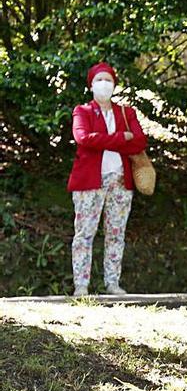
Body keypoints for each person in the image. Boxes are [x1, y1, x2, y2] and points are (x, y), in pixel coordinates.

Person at [68, 62, 148, 297]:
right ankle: (81, 286)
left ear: (114, 84)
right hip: (89, 181)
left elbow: (140, 141)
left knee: (116, 232)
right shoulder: (82, 111)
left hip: (121, 181)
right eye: (99, 80)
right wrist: (120, 138)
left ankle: (112, 283)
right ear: (91, 85)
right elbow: (83, 138)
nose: (104, 84)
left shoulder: (126, 112)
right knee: (84, 233)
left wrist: (105, 139)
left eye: (109, 80)